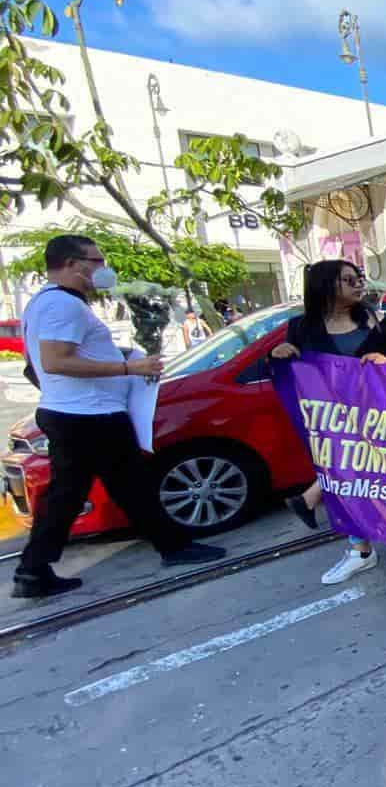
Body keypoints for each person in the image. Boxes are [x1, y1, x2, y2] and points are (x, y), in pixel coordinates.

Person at [13, 235, 228, 598]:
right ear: (71, 264)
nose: (102, 268)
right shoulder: (63, 307)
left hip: (75, 412)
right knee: (123, 484)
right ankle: (171, 546)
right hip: (88, 416)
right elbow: (55, 361)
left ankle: (33, 570)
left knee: (82, 492)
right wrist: (128, 367)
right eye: (95, 261)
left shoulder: (45, 304)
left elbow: (39, 365)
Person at [272, 260, 386, 585]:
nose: (359, 284)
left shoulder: (377, 320)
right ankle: (360, 551)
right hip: (335, 425)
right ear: (327, 286)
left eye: (359, 278)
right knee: (344, 484)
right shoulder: (300, 328)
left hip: (383, 419)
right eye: (349, 280)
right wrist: (280, 354)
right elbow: (292, 375)